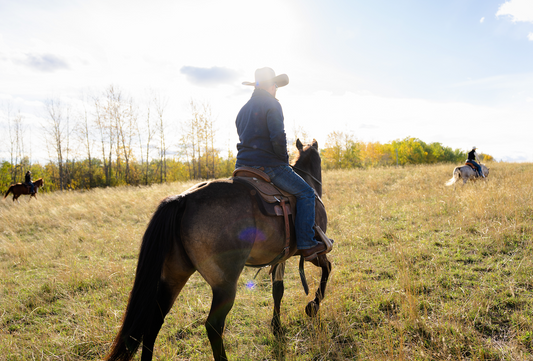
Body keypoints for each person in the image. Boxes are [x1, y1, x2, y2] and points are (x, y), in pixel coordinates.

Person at [234, 67, 326, 261]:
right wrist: (283, 162)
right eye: (276, 85)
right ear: (271, 85)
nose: (276, 88)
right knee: (307, 193)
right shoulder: (272, 104)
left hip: (241, 168)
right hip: (268, 166)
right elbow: (278, 137)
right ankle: (307, 243)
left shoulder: (243, 110)